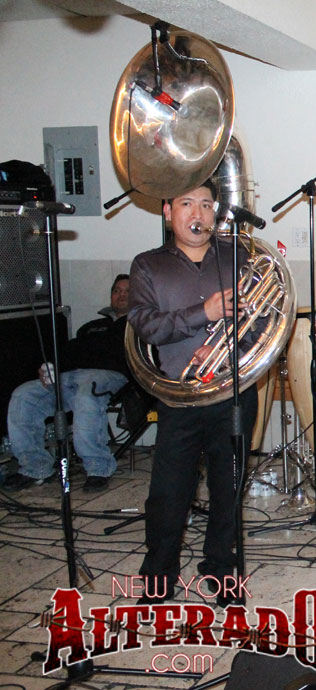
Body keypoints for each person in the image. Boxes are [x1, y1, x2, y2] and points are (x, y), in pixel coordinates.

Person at [127, 180, 257, 605]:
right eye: (187, 204)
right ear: (168, 212)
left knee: (228, 489)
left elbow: (261, 322)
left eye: (205, 204)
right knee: (168, 493)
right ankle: (159, 575)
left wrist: (229, 350)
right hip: (178, 397)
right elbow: (146, 324)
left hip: (232, 392)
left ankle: (221, 569)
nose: (198, 213)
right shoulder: (148, 265)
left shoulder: (238, 257)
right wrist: (204, 312)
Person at [3, 275, 131, 492]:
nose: (121, 295)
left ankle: (98, 468)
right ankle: (35, 467)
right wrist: (49, 367)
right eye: (117, 290)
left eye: (128, 291)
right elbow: (68, 352)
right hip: (69, 375)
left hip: (108, 375)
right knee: (24, 395)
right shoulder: (91, 327)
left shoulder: (140, 326)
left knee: (86, 396)